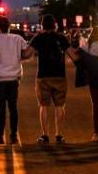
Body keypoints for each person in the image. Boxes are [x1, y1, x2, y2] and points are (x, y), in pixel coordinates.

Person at [29, 14, 75, 144]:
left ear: (42, 25)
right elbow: (74, 55)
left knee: (43, 106)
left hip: (43, 76)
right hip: (59, 75)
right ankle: (59, 135)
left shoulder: (38, 38)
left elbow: (27, 53)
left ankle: (45, 135)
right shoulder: (62, 38)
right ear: (55, 25)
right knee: (60, 106)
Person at [0, 15, 34, 144]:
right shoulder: (17, 39)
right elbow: (26, 54)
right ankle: (13, 135)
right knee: (13, 108)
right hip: (13, 80)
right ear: (8, 27)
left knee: (1, 108)